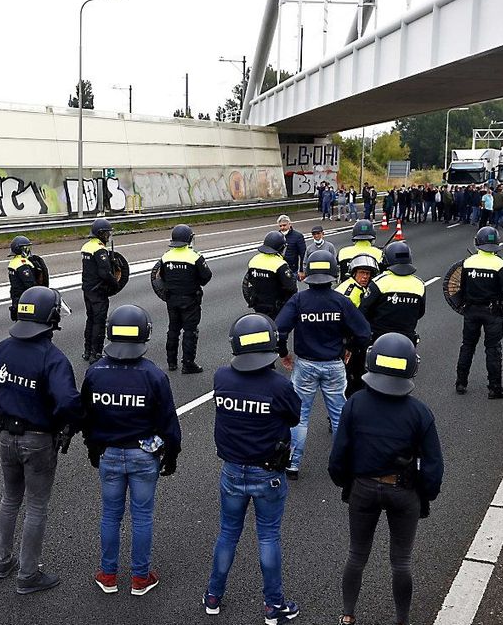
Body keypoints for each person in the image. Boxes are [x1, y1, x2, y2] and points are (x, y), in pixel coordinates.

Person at [0, 286, 83, 594]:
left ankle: (2, 561)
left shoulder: (1, 350)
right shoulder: (52, 357)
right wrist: (65, 425)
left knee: (9, 499)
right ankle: (28, 574)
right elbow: (69, 402)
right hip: (39, 439)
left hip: (6, 436)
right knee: (36, 505)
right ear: (53, 317)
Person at [329, 332, 444, 625]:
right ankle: (401, 619)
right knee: (401, 561)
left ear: (371, 361)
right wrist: (424, 496)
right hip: (403, 492)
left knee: (357, 555)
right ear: (410, 367)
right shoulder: (420, 412)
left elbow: (338, 457)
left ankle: (347, 614)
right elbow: (433, 466)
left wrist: (347, 484)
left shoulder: (355, 404)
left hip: (363, 488)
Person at [203, 313, 301, 623]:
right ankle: (274, 606)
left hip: (232, 470)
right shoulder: (279, 386)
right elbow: (295, 417)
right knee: (268, 537)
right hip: (268, 472)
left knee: (228, 534)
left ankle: (213, 596)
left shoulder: (221, 377)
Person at [82, 304, 181, 596]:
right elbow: (168, 423)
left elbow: (85, 416)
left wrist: (92, 448)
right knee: (141, 517)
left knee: (110, 516)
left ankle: (108, 574)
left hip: (108, 453)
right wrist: (172, 454)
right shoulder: (153, 375)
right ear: (144, 335)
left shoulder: (95, 372)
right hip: (143, 456)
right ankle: (140, 578)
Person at [275, 251, 371, 479]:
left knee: (299, 416)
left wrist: (283, 353)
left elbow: (278, 329)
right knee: (339, 415)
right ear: (333, 274)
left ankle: (293, 464)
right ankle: (340, 463)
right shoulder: (341, 301)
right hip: (334, 365)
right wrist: (348, 347)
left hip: (305, 365)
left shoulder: (299, 300)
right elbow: (364, 333)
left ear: (307, 273)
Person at [455, 227, 503, 398]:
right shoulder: (500, 264)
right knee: (493, 348)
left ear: (477, 242)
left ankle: (461, 383)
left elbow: (461, 288)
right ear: (496, 243)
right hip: (493, 312)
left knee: (467, 345)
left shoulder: (468, 263)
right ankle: (494, 388)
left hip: (471, 311)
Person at [157, 224, 212, 373]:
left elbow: (160, 277)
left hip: (172, 300)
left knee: (173, 330)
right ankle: (188, 364)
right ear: (189, 239)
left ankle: (171, 362)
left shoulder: (166, 256)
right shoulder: (195, 256)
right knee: (190, 331)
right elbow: (206, 276)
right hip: (190, 300)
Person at [359, 241, 426, 344]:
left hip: (378, 339)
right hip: (406, 339)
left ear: (386, 260)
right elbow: (420, 313)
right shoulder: (420, 284)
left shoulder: (378, 282)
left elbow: (364, 310)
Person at [336, 254, 381, 397]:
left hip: (353, 340)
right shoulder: (349, 292)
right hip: (347, 341)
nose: (365, 277)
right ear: (354, 273)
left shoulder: (360, 288)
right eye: (362, 273)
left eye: (368, 273)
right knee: (351, 377)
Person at [81, 218, 119, 364]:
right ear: (101, 233)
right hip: (98, 291)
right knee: (99, 322)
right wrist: (114, 283)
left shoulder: (86, 247)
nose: (109, 236)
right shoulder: (99, 249)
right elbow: (104, 273)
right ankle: (96, 353)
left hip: (87, 289)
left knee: (90, 320)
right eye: (107, 233)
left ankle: (87, 350)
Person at [242, 231, 298, 320]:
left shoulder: (254, 260)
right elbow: (292, 288)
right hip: (276, 308)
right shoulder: (280, 264)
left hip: (258, 306)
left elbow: (246, 283)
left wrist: (251, 301)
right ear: (281, 248)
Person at [7, 235, 38, 322]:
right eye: (26, 248)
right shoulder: (22, 264)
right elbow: (30, 284)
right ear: (20, 249)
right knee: (29, 323)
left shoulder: (13, 262)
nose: (28, 250)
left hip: (16, 298)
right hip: (26, 298)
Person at [277, 215, 306, 280]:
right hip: (278, 269)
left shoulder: (298, 236)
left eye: (284, 225)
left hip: (292, 269)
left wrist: (302, 270)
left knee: (292, 289)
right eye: (280, 226)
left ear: (289, 224)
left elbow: (303, 254)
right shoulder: (277, 236)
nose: (282, 228)